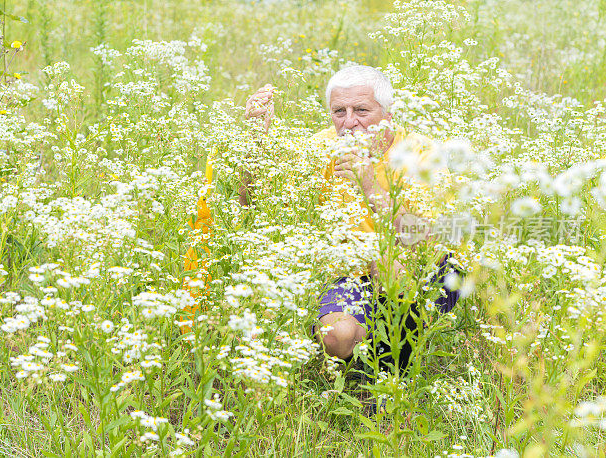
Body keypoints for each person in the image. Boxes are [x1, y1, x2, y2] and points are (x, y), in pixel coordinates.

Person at [186, 65, 462, 372]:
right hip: (351, 270)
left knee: (391, 270)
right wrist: (254, 145)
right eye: (339, 111)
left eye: (361, 110)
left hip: (418, 268)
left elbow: (435, 238)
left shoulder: (421, 153)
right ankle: (353, 345)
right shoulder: (321, 147)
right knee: (337, 337)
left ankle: (391, 373)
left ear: (389, 114)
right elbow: (254, 208)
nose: (349, 123)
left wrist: (371, 187)